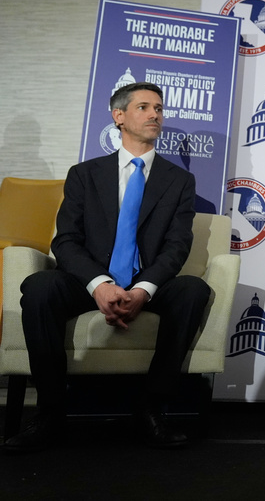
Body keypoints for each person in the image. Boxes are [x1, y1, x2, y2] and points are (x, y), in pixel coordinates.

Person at [3, 82, 210, 454]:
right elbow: (65, 240)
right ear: (119, 117)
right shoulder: (84, 174)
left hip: (146, 281)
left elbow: (177, 245)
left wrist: (142, 290)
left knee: (193, 289)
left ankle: (152, 408)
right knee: (39, 287)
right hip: (89, 280)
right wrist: (99, 285)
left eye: (159, 109)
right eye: (144, 107)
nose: (154, 115)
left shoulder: (179, 180)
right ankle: (50, 411)